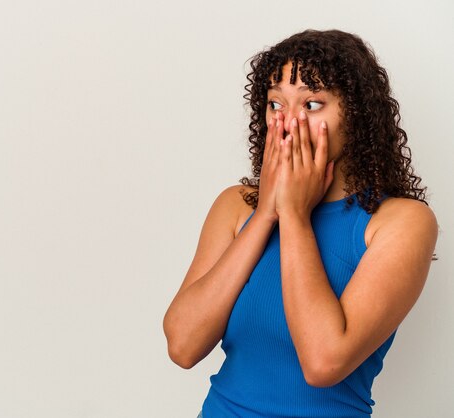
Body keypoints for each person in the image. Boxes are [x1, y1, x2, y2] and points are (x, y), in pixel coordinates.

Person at [162, 29, 438, 418]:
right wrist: (267, 214)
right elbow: (183, 346)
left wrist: (293, 215)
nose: (288, 123)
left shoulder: (401, 222)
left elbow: (324, 362)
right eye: (276, 104)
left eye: (311, 104)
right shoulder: (236, 206)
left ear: (356, 117)